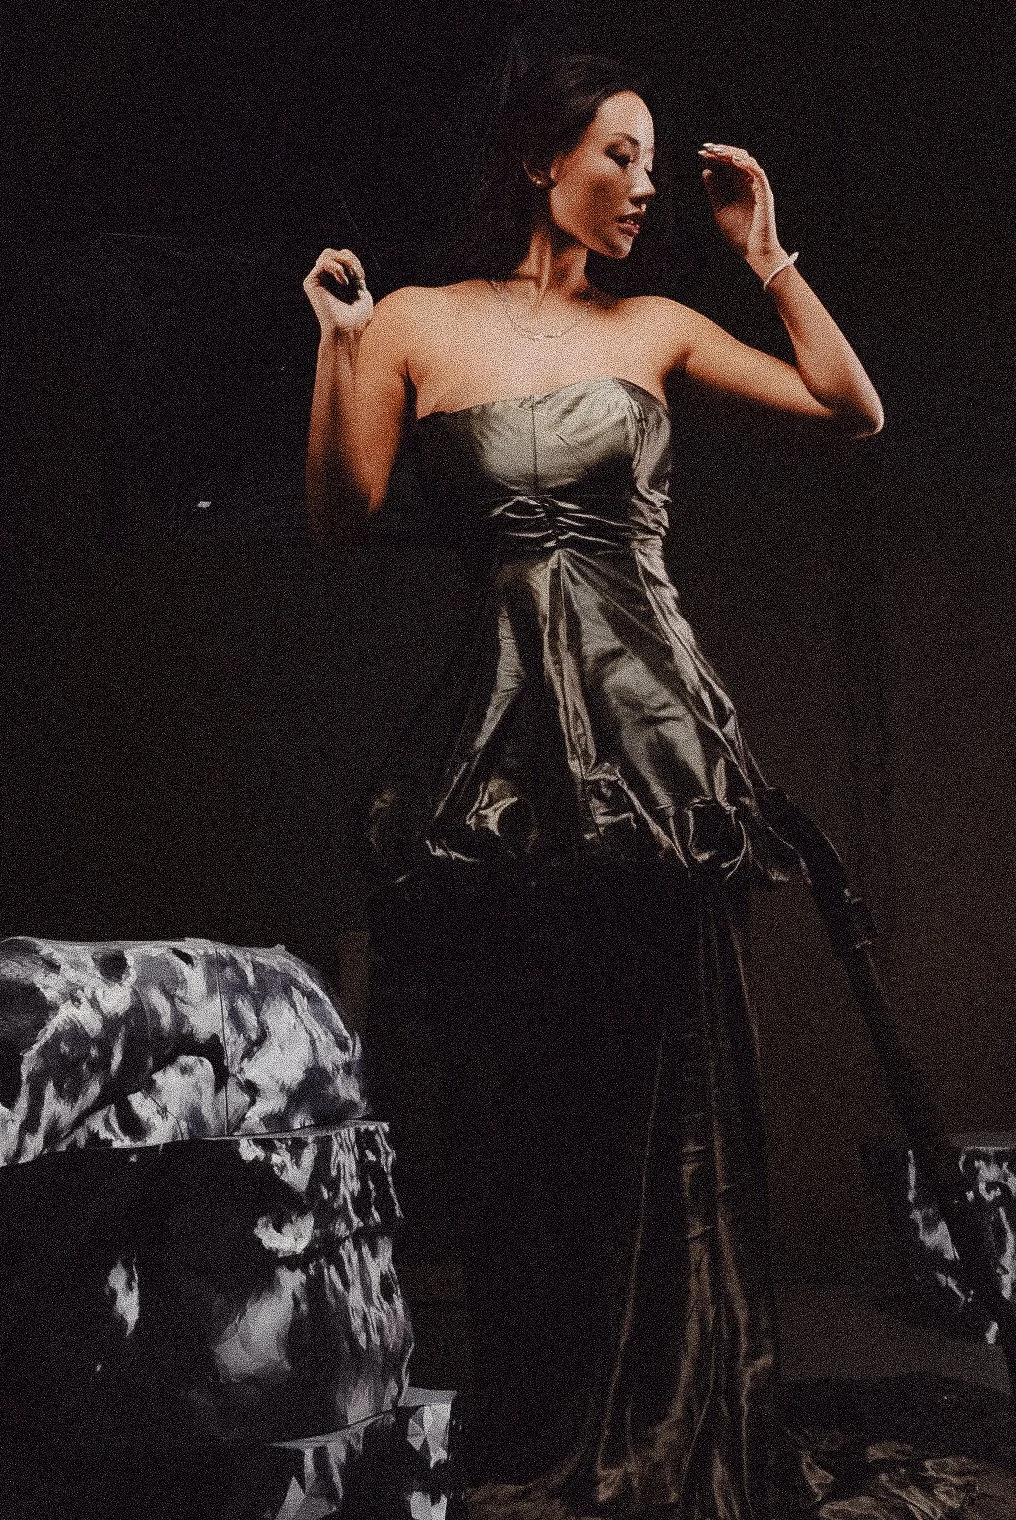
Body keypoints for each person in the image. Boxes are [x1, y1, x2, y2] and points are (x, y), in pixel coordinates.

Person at [299, 52, 900, 1520]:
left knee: (670, 1101)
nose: (646, 186)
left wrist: (769, 257)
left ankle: (677, 1419)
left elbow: (851, 406)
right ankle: (551, 1421)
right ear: (535, 157)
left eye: (653, 163)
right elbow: (340, 513)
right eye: (620, 156)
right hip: (505, 752)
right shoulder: (414, 325)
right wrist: (335, 344)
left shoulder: (662, 326)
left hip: (652, 740)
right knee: (529, 1111)